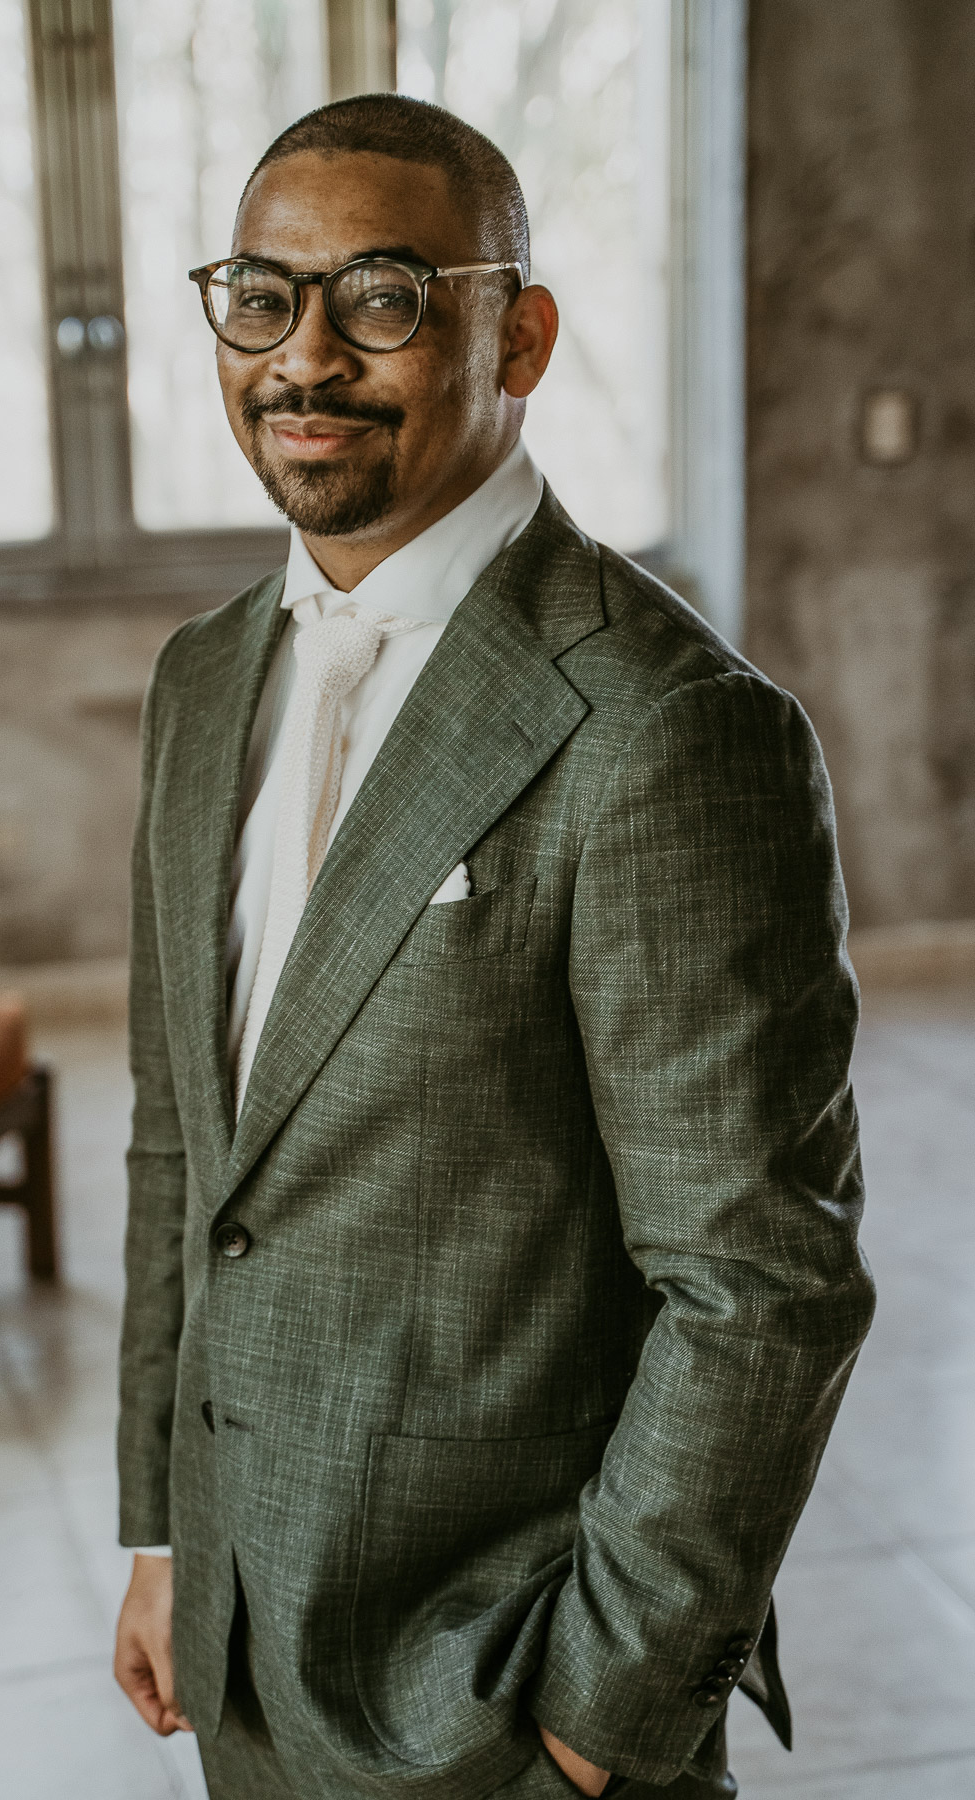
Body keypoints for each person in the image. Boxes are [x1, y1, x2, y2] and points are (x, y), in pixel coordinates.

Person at [112, 94, 874, 1800]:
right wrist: (163, 1534)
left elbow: (760, 1281)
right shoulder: (198, 681)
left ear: (513, 333)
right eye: (261, 294)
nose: (305, 356)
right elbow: (188, 1147)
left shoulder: (669, 728)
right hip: (239, 1645)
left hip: (503, 1695)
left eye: (382, 295)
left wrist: (599, 1720)